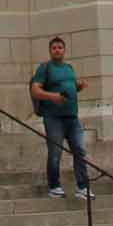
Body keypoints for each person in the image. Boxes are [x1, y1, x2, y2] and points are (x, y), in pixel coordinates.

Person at [30, 35, 92, 200]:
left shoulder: (69, 68)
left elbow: (69, 88)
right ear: (50, 51)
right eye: (54, 48)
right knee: (55, 152)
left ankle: (82, 186)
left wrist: (78, 87)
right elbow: (35, 90)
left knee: (79, 150)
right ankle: (54, 186)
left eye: (60, 47)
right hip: (53, 117)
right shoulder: (45, 68)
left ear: (64, 50)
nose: (57, 50)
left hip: (72, 117)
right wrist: (52, 96)